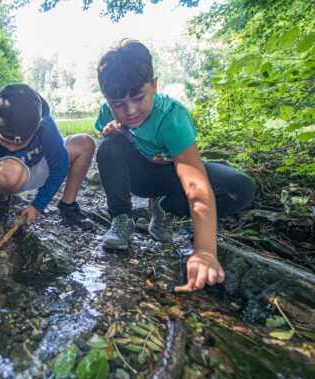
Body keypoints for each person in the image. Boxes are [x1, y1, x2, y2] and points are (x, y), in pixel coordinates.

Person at [94, 39, 255, 291]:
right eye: (118, 105)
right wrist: (107, 132)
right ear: (107, 100)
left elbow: (196, 185)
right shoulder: (107, 111)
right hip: (142, 177)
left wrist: (204, 251)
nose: (131, 110)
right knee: (109, 145)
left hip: (174, 176)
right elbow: (108, 153)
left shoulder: (172, 118)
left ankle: (165, 207)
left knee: (240, 188)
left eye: (138, 97)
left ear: (154, 85)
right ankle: (122, 219)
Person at [0, 83, 96, 265]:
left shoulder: (43, 123)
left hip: (40, 164)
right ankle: (2, 202)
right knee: (7, 173)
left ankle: (68, 205)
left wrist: (38, 204)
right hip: (12, 172)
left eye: (18, 142)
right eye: (6, 141)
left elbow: (59, 167)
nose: (11, 146)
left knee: (86, 143)